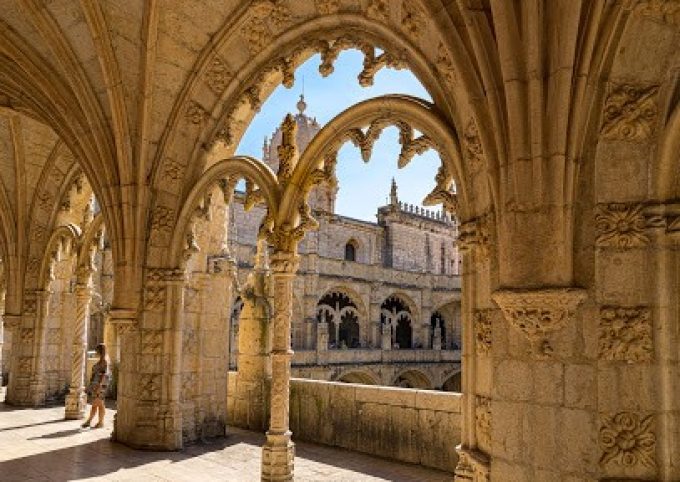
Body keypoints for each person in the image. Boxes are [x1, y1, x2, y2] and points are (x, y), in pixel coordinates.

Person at [82, 343, 110, 429]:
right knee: (98, 404)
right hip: (95, 385)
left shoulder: (104, 362)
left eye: (97, 351)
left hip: (100, 386)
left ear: (100, 351)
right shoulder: (100, 362)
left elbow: (104, 375)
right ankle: (97, 422)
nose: (95, 352)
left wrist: (99, 386)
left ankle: (93, 421)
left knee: (97, 404)